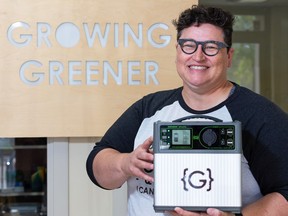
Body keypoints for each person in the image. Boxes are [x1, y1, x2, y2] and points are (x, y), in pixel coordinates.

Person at [86, 5, 288, 216]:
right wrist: (125, 163)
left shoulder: (261, 116)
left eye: (211, 47)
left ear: (229, 56)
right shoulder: (149, 108)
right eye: (189, 45)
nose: (198, 56)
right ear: (178, 52)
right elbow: (97, 165)